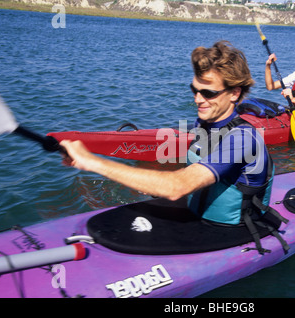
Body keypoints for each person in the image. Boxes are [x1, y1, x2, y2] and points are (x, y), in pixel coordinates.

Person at [61, 41, 282, 235]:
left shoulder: (242, 139)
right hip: (197, 212)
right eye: (194, 90)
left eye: (208, 93)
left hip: (229, 229)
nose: (197, 99)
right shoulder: (205, 123)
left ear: (234, 93)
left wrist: (92, 162)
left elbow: (177, 187)